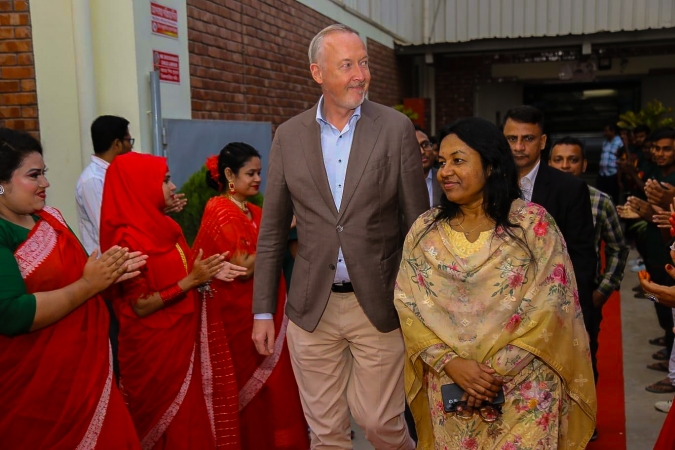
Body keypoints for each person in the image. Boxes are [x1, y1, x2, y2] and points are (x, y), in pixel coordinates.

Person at [252, 24, 428, 449]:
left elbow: (418, 225)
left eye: (363, 63)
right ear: (318, 73)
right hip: (312, 307)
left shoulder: (394, 128)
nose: (360, 75)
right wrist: (262, 311)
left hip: (379, 304)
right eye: (347, 65)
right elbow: (273, 231)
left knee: (379, 423)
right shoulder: (288, 136)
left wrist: (424, 304)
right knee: (326, 433)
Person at [397, 117, 596, 449]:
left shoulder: (533, 225)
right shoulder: (425, 230)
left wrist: (488, 376)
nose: (445, 171)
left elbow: (550, 304)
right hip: (451, 384)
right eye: (442, 162)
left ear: (491, 166)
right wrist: (453, 365)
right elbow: (407, 304)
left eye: (458, 160)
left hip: (525, 386)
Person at [0, 128, 146, 448]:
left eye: (45, 173)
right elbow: (10, 313)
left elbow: (81, 274)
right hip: (36, 389)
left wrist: (109, 273)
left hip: (86, 376)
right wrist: (89, 284)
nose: (46, 183)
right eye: (34, 175)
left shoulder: (50, 219)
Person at [99, 152, 245, 449]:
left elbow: (187, 267)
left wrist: (212, 270)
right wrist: (192, 281)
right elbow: (140, 305)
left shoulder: (167, 227)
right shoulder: (126, 241)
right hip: (152, 352)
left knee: (191, 424)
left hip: (183, 339)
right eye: (165, 180)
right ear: (141, 185)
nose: (173, 186)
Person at [192, 143, 309, 449]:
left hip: (265, 310)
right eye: (250, 173)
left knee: (278, 387)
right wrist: (279, 233)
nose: (258, 179)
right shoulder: (219, 209)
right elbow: (242, 267)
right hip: (237, 316)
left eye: (259, 172)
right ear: (230, 175)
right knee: (249, 389)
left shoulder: (254, 211)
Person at [502, 106, 598, 380]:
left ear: (542, 141)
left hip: (555, 307)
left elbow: (581, 257)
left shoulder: (569, 188)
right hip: (502, 309)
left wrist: (578, 316)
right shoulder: (488, 183)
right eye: (512, 139)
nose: (519, 147)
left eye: (528, 139)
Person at [415, 124, 442, 208]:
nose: (422, 152)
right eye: (414, 147)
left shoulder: (444, 178)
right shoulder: (395, 185)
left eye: (425, 145)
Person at [598, 123, 624, 204]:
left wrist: (619, 179)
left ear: (613, 131)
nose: (605, 133)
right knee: (601, 197)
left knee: (613, 198)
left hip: (613, 174)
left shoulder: (620, 142)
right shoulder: (605, 142)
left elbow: (621, 158)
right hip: (602, 173)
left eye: (606, 131)